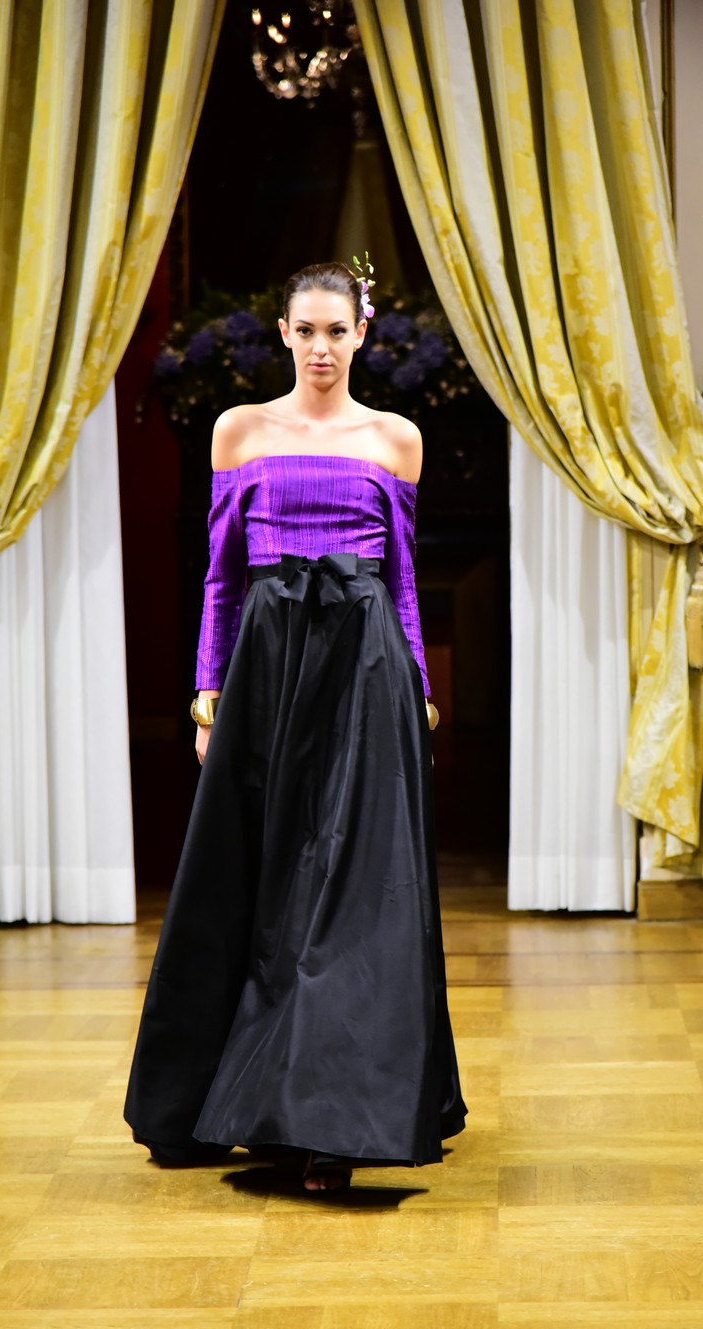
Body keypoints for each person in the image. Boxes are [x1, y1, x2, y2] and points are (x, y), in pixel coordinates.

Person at [124, 260, 466, 1193]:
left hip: (366, 672)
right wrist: (208, 699)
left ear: (362, 334)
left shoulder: (395, 439)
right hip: (269, 673)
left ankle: (335, 1122)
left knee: (355, 887)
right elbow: (221, 578)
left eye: (336, 331)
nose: (321, 347)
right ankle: (260, 1096)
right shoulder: (239, 431)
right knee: (265, 882)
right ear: (283, 333)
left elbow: (401, 582)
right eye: (305, 330)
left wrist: (418, 700)